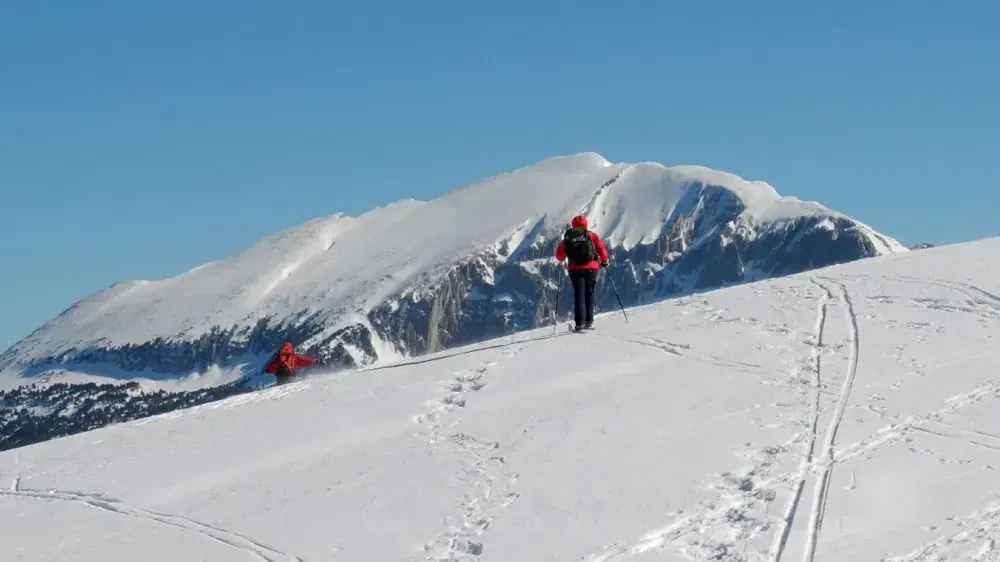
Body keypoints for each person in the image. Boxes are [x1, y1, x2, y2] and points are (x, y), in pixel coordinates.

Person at [555, 215, 610, 331]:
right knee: (589, 293)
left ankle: (579, 323)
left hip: (575, 269)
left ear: (573, 225)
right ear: (586, 224)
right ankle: (589, 322)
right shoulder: (591, 236)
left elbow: (559, 256)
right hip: (592, 268)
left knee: (579, 295)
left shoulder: (568, 237)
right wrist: (605, 261)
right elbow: (601, 248)